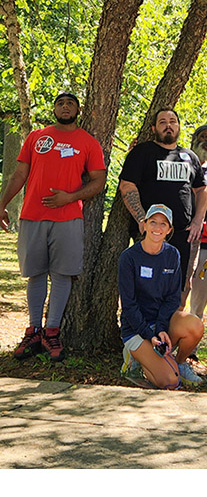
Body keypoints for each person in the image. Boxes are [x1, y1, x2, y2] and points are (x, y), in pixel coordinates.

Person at [1, 92, 106, 362]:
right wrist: (1, 204)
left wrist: (69, 197)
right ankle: (33, 331)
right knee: (35, 274)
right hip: (32, 216)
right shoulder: (36, 137)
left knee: (61, 275)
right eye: (60, 103)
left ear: (78, 109)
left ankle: (52, 332)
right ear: (54, 109)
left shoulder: (88, 142)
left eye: (70, 103)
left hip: (69, 217)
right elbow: (20, 174)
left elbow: (98, 181)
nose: (65, 106)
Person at [118, 108, 207, 286]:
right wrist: (141, 219)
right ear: (153, 128)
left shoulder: (190, 157)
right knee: (145, 286)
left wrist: (198, 220)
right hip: (150, 233)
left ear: (178, 126)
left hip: (181, 234)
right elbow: (127, 185)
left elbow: (202, 189)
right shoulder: (142, 152)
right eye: (162, 122)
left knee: (174, 288)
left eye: (172, 121)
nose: (168, 125)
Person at [118, 204, 205, 388]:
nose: (157, 228)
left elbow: (172, 298)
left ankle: (179, 363)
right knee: (171, 381)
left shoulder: (172, 254)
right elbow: (129, 306)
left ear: (169, 230)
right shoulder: (129, 257)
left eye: (163, 224)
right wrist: (150, 335)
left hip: (160, 324)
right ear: (144, 225)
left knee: (195, 325)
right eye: (153, 222)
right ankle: (133, 359)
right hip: (136, 328)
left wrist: (161, 328)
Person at [181, 125, 207, 327]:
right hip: (175, 232)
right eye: (203, 137)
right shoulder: (180, 160)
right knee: (177, 284)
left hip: (197, 237)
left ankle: (186, 338)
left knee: (189, 286)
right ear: (194, 138)